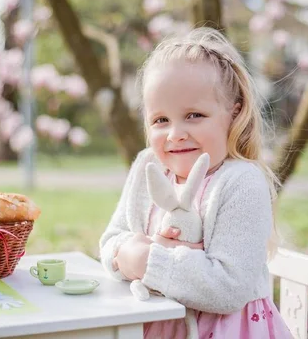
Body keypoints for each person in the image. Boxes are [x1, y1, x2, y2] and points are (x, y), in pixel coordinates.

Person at [99, 27, 292, 338]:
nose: (175, 133)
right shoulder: (148, 167)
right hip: (155, 327)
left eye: (194, 115)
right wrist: (124, 252)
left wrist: (149, 261)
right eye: (161, 120)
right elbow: (111, 240)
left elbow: (229, 288)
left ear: (234, 112)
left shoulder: (240, 182)